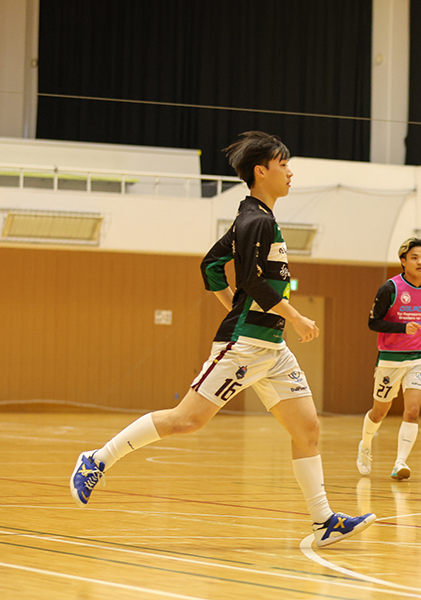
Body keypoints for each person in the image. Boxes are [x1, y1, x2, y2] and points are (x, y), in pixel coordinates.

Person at [69, 131, 375, 548]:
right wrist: (292, 315)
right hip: (245, 344)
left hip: (273, 348)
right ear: (261, 171)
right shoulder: (256, 221)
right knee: (187, 420)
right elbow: (251, 280)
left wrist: (237, 304)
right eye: (283, 164)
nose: (290, 172)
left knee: (307, 429)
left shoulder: (254, 217)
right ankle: (97, 460)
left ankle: (324, 522)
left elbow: (212, 265)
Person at [356, 237, 421, 481]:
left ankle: (400, 462)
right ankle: (365, 444)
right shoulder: (390, 289)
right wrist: (402, 328)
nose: (420, 262)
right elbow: (373, 322)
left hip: (418, 359)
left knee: (412, 411)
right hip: (390, 360)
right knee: (379, 413)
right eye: (414, 258)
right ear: (403, 261)